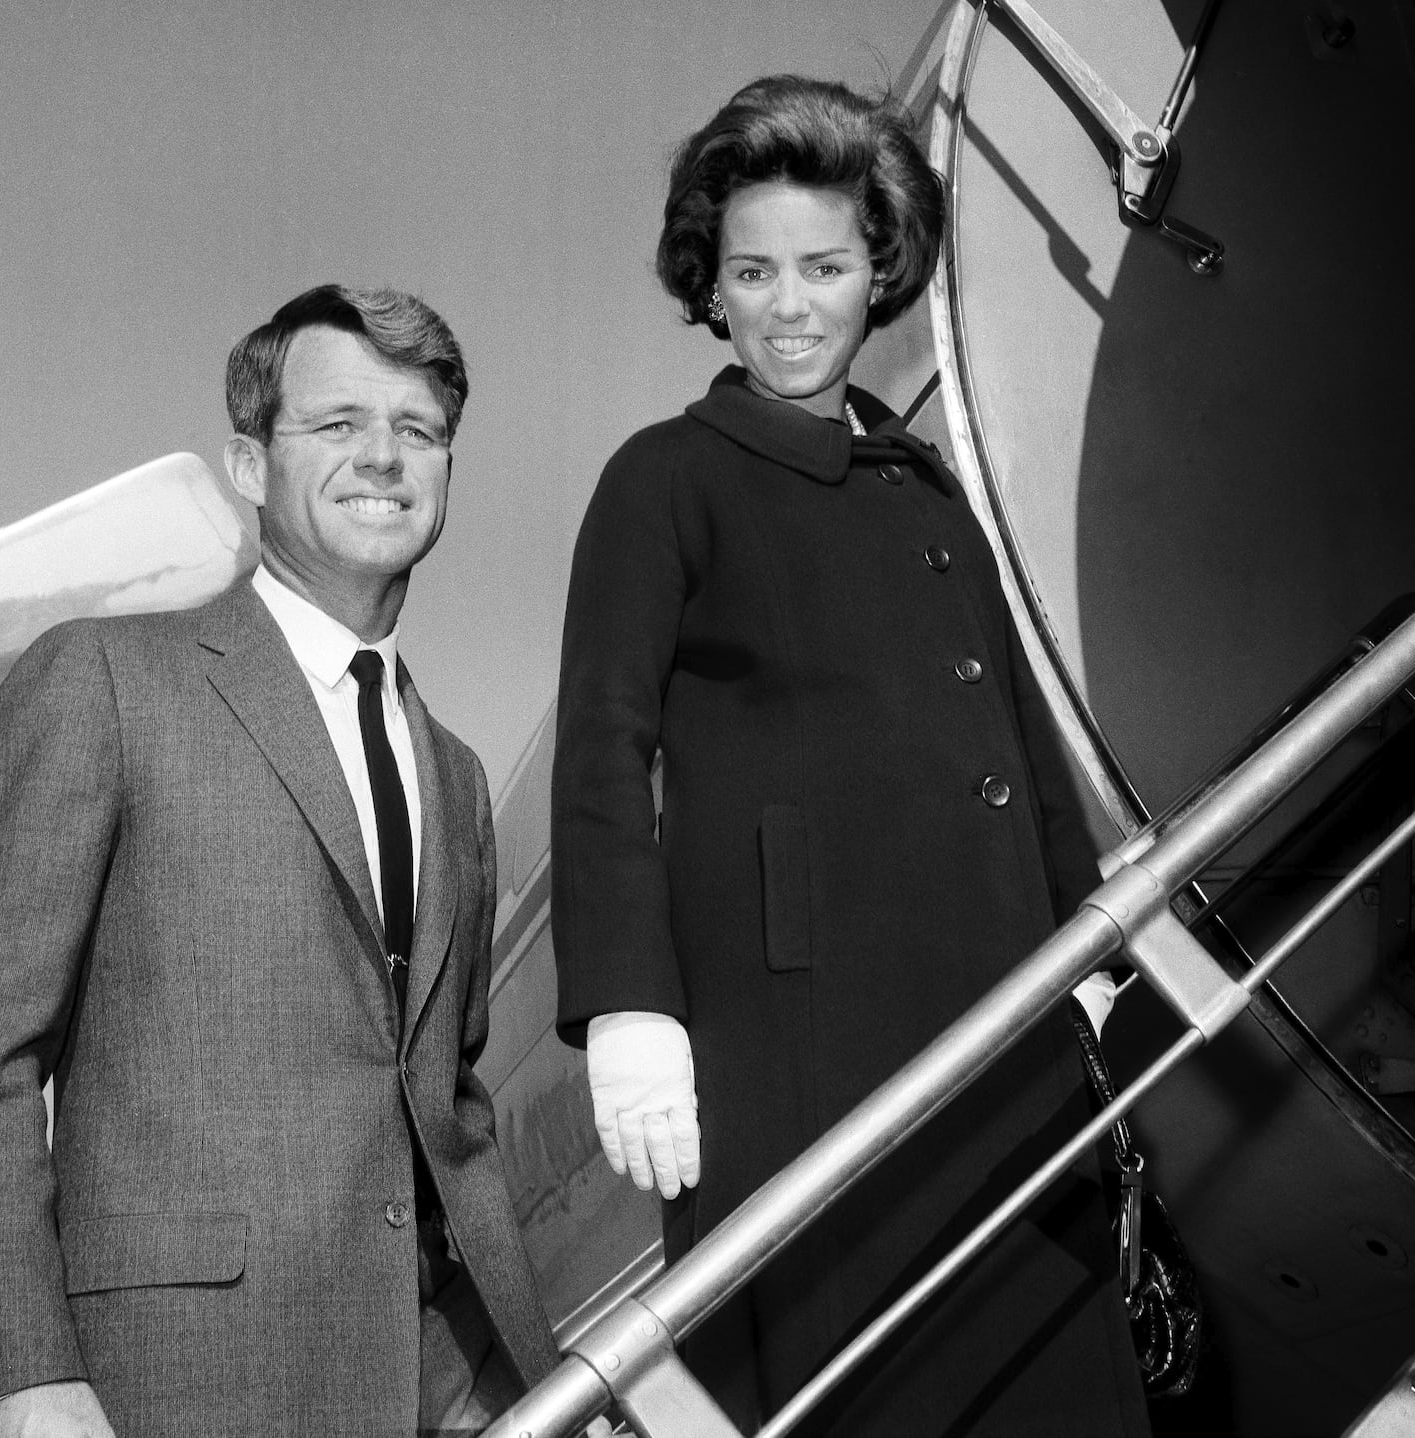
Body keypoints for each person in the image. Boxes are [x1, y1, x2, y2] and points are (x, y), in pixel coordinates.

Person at [551, 76, 1149, 1435]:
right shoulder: (666, 477)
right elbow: (602, 744)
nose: (792, 303)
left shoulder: (927, 492)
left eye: (825, 265)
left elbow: (1017, 748)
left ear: (880, 269)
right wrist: (629, 1006)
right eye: (752, 271)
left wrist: (1093, 943)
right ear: (710, 288)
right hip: (795, 1044)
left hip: (1003, 1019)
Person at [0, 285, 560, 1437]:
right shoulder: (100, 679)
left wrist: (525, 1373)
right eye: (338, 422)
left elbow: (441, 1104)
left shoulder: (452, 771)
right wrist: (15, 1376)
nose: (383, 456)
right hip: (167, 1381)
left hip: (436, 1382)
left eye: (418, 430)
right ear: (249, 464)